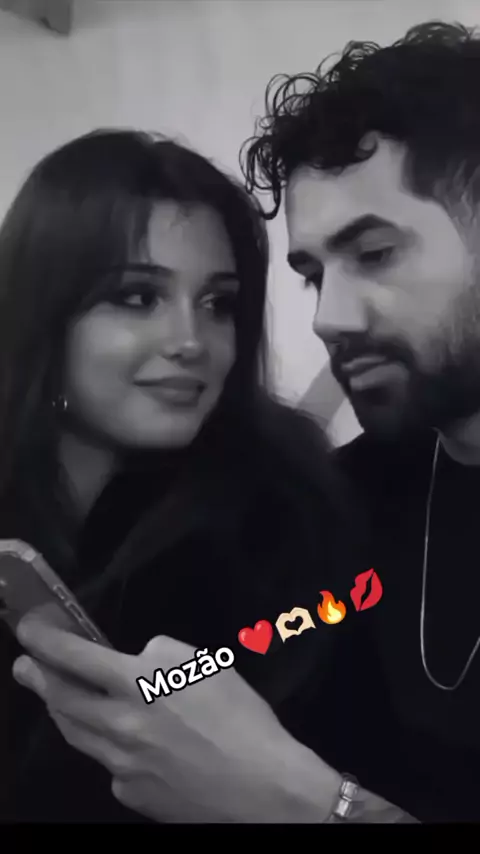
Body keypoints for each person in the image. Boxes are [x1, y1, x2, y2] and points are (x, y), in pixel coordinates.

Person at [3, 132, 415, 824]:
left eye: (218, 304)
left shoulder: (293, 526)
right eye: (138, 297)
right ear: (42, 313)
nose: (191, 341)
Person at [242, 19, 480, 822]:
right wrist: (154, 684)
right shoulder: (349, 499)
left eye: (374, 254)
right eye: (313, 274)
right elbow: (264, 639)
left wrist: (314, 807)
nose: (327, 318)